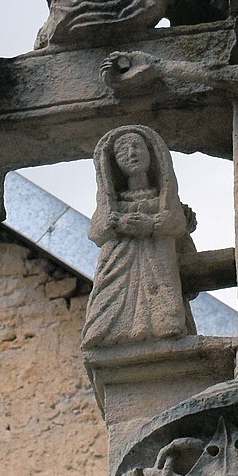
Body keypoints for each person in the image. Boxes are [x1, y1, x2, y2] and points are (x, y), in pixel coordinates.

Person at [81, 126, 195, 347]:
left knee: (164, 309)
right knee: (109, 304)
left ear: (151, 153)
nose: (131, 153)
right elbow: (96, 230)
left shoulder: (165, 199)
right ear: (114, 163)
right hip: (119, 262)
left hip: (158, 259)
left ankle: (164, 326)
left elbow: (174, 222)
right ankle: (107, 330)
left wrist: (150, 225)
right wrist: (119, 224)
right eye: (122, 151)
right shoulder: (113, 203)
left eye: (136, 146)